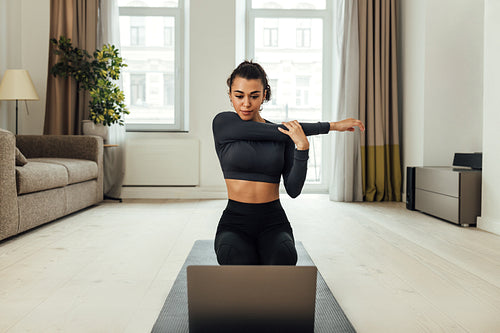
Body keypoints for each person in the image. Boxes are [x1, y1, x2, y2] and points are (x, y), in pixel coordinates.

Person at [212, 60, 365, 265]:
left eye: (254, 96)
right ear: (230, 95)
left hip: (273, 221)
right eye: (239, 96)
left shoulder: (282, 137)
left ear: (264, 95)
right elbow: (280, 132)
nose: (246, 104)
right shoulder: (223, 124)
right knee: (235, 259)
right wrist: (332, 126)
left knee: (283, 260)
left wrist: (302, 149)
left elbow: (293, 190)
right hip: (235, 222)